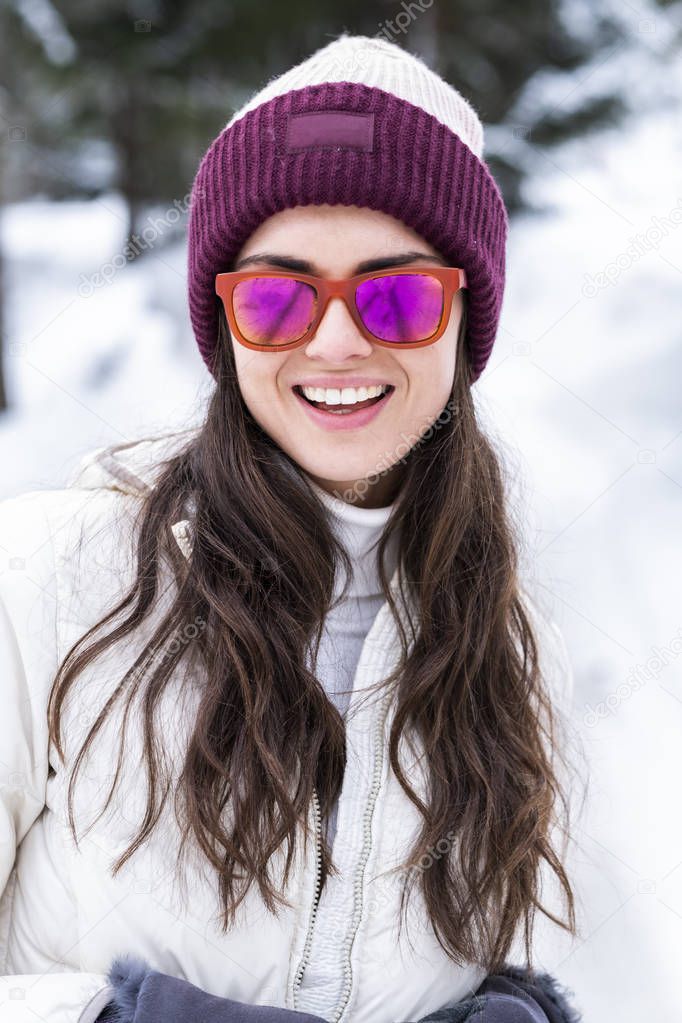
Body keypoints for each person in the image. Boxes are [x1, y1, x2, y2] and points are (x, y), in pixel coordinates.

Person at [0, 32, 583, 1023]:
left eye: (397, 296)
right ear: (225, 326)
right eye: (277, 297)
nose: (337, 340)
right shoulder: (50, 576)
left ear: (465, 321)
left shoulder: (506, 646)